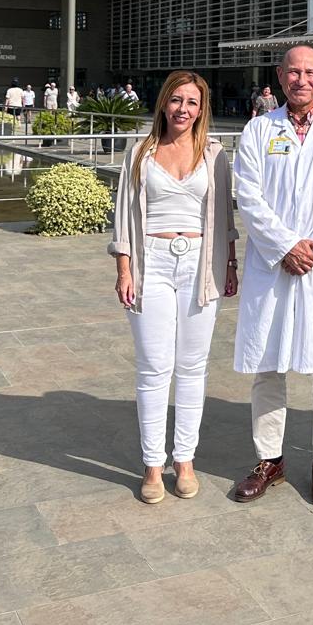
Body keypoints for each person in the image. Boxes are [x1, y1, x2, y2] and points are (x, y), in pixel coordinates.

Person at [230, 46, 313, 507]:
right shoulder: (257, 130)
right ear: (280, 76)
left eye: (310, 72)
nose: (301, 79)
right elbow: (247, 195)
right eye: (293, 71)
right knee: (267, 365)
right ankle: (270, 459)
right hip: (273, 264)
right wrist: (285, 245)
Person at [111, 70, 239, 504]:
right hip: (152, 264)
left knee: (192, 368)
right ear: (164, 103)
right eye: (176, 100)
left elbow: (225, 215)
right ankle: (152, 464)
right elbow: (125, 216)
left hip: (201, 266)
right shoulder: (140, 152)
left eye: (192, 102)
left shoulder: (214, 154)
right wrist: (125, 269)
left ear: (201, 109)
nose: (183, 109)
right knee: (153, 368)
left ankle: (184, 459)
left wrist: (231, 263)